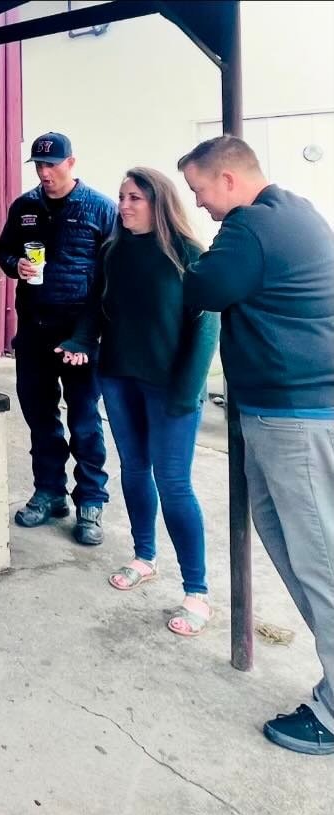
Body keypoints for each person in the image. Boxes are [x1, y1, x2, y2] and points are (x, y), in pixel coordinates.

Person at [178, 135, 334, 756]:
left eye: (201, 191)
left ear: (230, 181)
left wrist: (197, 266)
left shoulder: (251, 225)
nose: (203, 206)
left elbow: (204, 288)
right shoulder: (297, 210)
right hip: (291, 413)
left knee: (318, 559)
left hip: (294, 416)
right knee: (295, 549)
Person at [54, 167, 218, 635]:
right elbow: (93, 308)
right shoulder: (113, 252)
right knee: (134, 469)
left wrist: (186, 394)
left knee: (174, 482)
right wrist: (81, 340)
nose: (123, 205)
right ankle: (145, 556)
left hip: (171, 389)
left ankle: (197, 591)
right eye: (122, 197)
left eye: (134, 199)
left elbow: (206, 330)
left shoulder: (189, 254)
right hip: (119, 378)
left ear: (158, 203)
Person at [0, 132, 118, 545]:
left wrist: (87, 336)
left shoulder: (101, 209)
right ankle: (49, 492)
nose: (45, 172)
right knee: (40, 418)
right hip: (34, 331)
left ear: (72, 163)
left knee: (84, 421)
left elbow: (110, 279)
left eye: (52, 164)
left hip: (80, 338)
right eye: (39, 165)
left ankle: (90, 501)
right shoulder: (26, 206)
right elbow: (6, 251)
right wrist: (16, 266)